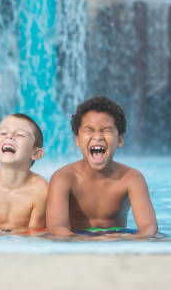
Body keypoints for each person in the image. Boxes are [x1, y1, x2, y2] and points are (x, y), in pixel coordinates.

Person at [46, 96, 158, 236]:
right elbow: (56, 228)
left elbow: (149, 227)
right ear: (77, 140)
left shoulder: (131, 178)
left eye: (107, 130)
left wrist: (132, 243)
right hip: (76, 241)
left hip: (117, 240)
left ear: (120, 140)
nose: (98, 136)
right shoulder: (64, 178)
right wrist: (87, 242)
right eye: (89, 130)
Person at [0, 113, 48, 231]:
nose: (9, 136)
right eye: (3, 133)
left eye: (20, 134)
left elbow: (35, 237)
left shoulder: (41, 189)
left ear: (36, 154)